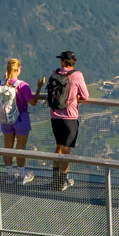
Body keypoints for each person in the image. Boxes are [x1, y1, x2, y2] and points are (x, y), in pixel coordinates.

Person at [43, 50, 90, 190]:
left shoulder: (55, 72)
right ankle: (63, 181)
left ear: (63, 61)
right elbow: (85, 95)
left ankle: (55, 180)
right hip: (70, 116)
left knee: (58, 146)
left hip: (55, 115)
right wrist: (76, 99)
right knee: (66, 150)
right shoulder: (77, 75)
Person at [0, 57, 36, 184]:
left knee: (8, 147)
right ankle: (21, 176)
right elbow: (33, 102)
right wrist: (39, 88)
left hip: (5, 119)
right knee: (20, 148)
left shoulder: (1, 83)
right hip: (21, 119)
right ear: (18, 69)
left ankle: (9, 174)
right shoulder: (23, 86)